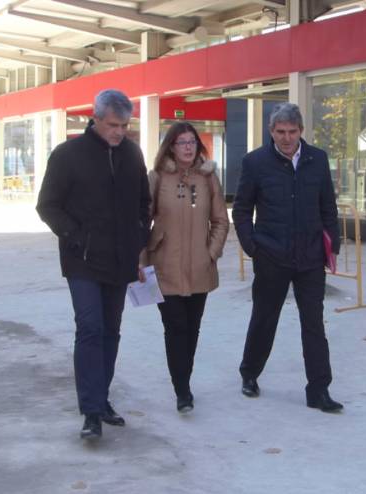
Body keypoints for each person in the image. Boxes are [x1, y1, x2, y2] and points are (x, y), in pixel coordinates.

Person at [36, 89, 150, 440]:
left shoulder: (132, 153)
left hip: (120, 260)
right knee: (89, 327)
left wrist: (139, 239)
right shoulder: (67, 155)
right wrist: (75, 236)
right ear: (95, 118)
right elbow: (47, 205)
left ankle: (101, 399)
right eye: (113, 125)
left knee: (111, 330)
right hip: (82, 261)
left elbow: (143, 203)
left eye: (125, 126)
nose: (119, 132)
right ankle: (90, 411)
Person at [232, 102, 343, 413]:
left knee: (314, 324)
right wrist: (253, 247)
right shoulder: (255, 162)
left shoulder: (317, 159)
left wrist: (332, 244)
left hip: (310, 257)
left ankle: (319, 389)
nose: (286, 138)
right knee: (264, 319)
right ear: (271, 131)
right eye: (280, 132)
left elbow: (328, 206)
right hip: (271, 256)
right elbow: (241, 210)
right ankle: (249, 373)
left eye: (292, 132)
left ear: (301, 131)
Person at [141, 122, 228, 413]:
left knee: (192, 328)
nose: (188, 147)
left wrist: (211, 253)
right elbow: (141, 222)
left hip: (200, 267)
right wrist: (141, 260)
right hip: (164, 266)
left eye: (192, 142)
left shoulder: (208, 178)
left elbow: (220, 220)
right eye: (182, 142)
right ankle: (182, 390)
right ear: (171, 146)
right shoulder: (157, 177)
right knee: (175, 327)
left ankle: (184, 379)